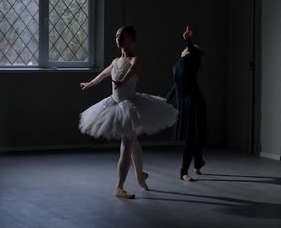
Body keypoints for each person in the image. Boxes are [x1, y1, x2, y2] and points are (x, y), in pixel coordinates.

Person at [79, 26, 178, 199]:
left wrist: (122, 82)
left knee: (126, 144)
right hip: (115, 105)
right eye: (117, 36)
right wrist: (89, 84)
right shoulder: (116, 61)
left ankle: (119, 187)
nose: (118, 39)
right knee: (133, 143)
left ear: (132, 38)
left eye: (122, 36)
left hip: (130, 107)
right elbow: (102, 76)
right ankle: (140, 175)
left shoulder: (135, 60)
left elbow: (131, 73)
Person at [166, 26, 207, 182]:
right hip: (182, 102)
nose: (187, 49)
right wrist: (165, 100)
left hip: (192, 102)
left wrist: (188, 40)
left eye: (190, 49)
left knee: (190, 137)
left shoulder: (193, 60)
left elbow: (194, 51)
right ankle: (198, 161)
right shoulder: (177, 65)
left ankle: (183, 171)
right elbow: (176, 86)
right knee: (191, 136)